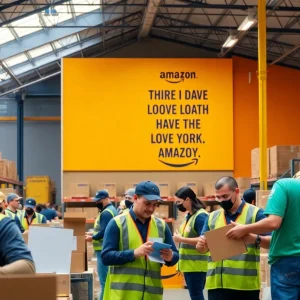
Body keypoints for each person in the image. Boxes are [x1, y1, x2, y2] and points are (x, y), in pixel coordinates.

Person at [227, 171, 300, 300]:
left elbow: (273, 222)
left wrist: (244, 229)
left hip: (289, 261)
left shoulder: (285, 185)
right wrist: (256, 238)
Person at [101, 180, 179, 300]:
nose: (151, 209)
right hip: (123, 295)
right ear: (136, 198)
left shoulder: (161, 226)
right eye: (147, 203)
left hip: (151, 296)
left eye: (155, 204)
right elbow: (106, 257)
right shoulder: (117, 223)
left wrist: (170, 257)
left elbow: (175, 255)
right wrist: (134, 253)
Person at [196, 176, 271, 300]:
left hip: (245, 287)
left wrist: (253, 238)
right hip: (217, 285)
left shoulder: (256, 214)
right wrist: (201, 246)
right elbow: (204, 249)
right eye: (218, 197)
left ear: (236, 192)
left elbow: (272, 242)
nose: (221, 201)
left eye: (225, 196)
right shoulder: (212, 217)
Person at [173, 186, 209, 300]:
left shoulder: (200, 217)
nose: (177, 204)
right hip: (189, 266)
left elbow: (205, 239)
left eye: (179, 201)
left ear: (187, 200)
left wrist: (181, 239)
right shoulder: (189, 216)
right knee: (195, 295)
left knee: (196, 296)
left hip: (196, 266)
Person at [85, 190, 117, 300]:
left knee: (104, 283)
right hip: (106, 249)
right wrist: (91, 233)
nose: (96, 203)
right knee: (107, 282)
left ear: (105, 199)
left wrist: (92, 237)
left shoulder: (106, 213)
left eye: (98, 201)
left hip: (103, 250)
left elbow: (104, 231)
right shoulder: (110, 210)